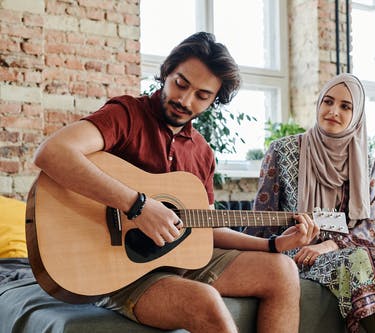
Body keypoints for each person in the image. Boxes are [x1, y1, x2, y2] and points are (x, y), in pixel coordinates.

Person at [33, 32, 319, 333]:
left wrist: (273, 244)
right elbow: (53, 152)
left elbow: (207, 227)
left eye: (202, 95)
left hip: (176, 261)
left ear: (214, 101)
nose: (185, 100)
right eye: (180, 84)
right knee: (204, 301)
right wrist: (137, 206)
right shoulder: (127, 115)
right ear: (167, 72)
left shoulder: (202, 152)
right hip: (116, 268)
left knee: (284, 269)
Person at [245, 73, 375, 333]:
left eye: (345, 106)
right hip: (298, 253)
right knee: (361, 260)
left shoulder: (365, 162)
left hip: (350, 251)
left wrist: (330, 244)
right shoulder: (283, 151)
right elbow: (260, 218)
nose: (333, 111)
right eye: (328, 101)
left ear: (357, 114)